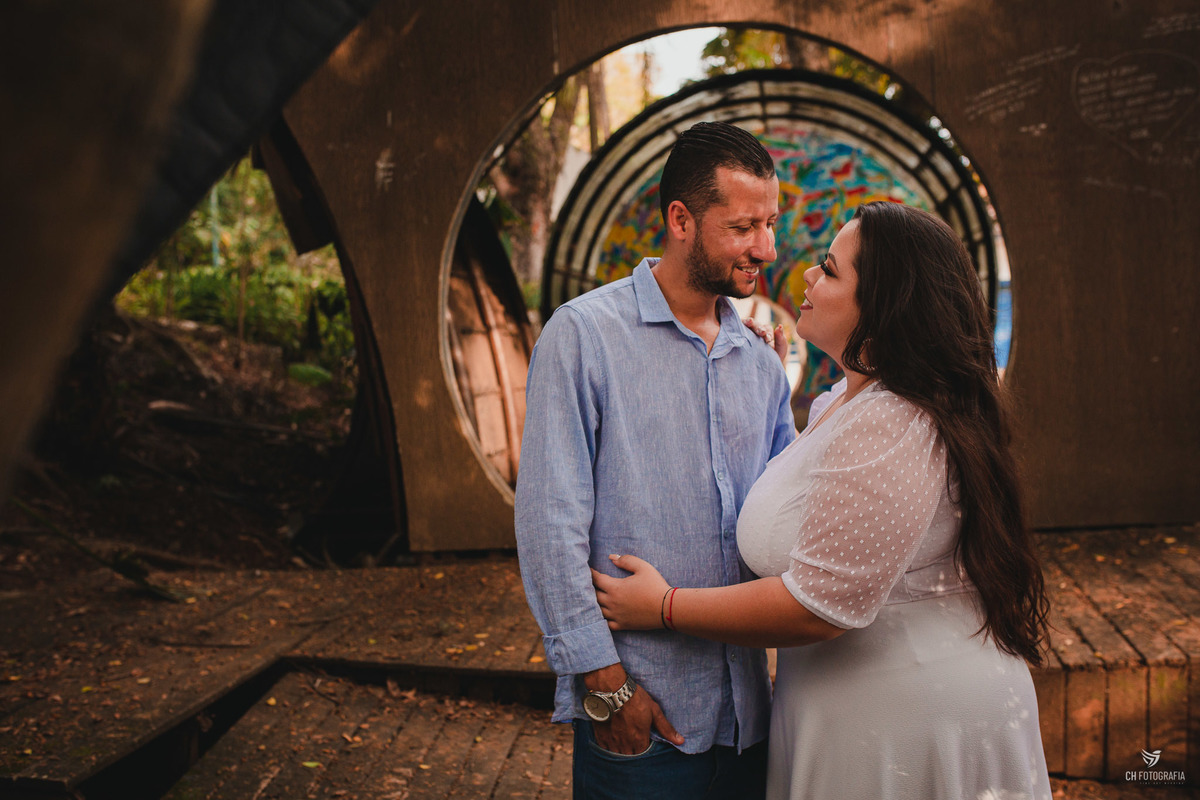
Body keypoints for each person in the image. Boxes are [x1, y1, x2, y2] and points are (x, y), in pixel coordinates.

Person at [593, 201, 1053, 799]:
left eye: (831, 271)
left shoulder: (893, 421)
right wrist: (748, 367)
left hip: (905, 721)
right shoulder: (845, 400)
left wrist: (665, 606)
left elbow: (817, 606)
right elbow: (794, 501)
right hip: (857, 709)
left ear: (884, 306)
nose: (806, 276)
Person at [515, 121, 796, 800]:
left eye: (771, 223)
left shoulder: (760, 360)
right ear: (680, 219)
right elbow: (551, 526)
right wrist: (607, 691)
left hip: (748, 727)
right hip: (644, 720)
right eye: (744, 226)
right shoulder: (583, 335)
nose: (766, 246)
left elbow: (792, 512)